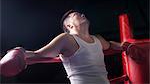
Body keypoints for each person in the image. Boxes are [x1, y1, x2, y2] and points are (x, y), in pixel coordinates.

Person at [1, 9, 130, 83]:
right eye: (76, 15)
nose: (82, 14)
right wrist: (18, 53)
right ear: (69, 26)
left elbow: (110, 45)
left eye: (81, 13)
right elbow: (38, 54)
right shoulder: (66, 39)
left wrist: (125, 46)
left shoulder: (98, 40)